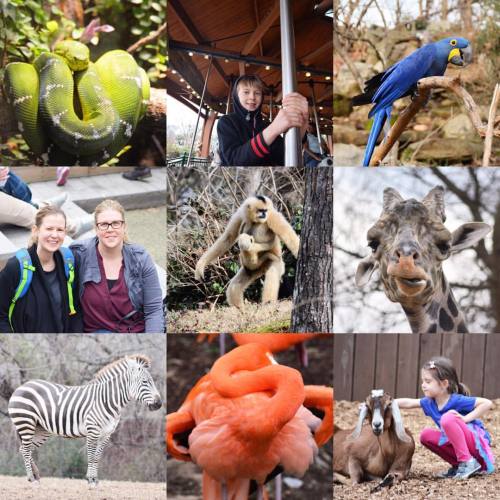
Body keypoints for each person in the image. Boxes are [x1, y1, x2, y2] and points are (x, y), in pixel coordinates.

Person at [70, 199, 164, 333]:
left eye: (115, 223)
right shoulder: (79, 254)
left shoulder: (141, 258)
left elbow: (154, 309)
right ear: (96, 228)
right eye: (103, 224)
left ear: (124, 226)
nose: (110, 229)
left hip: (136, 331)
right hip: (97, 333)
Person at [396, 357, 495, 479]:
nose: (423, 385)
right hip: (459, 446)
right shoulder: (429, 402)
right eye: (423, 381)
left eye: (428, 381)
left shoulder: (456, 400)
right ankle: (458, 465)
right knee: (425, 435)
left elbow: (487, 403)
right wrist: (388, 402)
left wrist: (465, 419)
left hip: (475, 446)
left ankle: (468, 462)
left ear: (444, 384)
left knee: (448, 418)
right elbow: (409, 403)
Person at [0, 205, 83, 333]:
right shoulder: (16, 267)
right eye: (49, 229)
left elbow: (76, 308)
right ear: (36, 230)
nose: (54, 235)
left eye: (60, 230)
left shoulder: (69, 262)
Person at [217, 75, 309, 166]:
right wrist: (273, 129)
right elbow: (233, 162)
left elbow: (284, 157)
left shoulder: (266, 126)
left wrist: (301, 129)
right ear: (236, 95)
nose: (252, 97)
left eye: (257, 93)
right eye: (246, 92)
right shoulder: (226, 122)